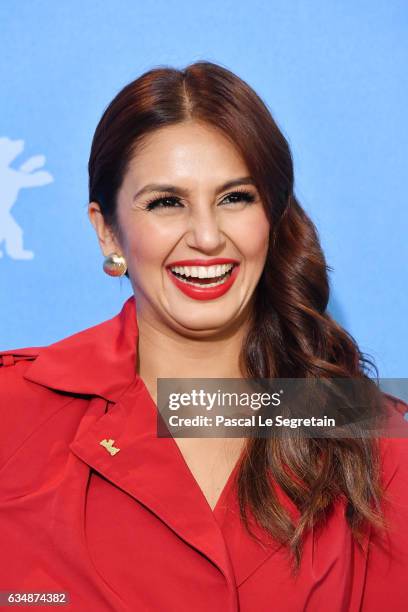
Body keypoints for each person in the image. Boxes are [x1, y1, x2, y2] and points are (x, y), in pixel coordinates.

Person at [0, 60, 407, 612]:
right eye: (166, 203)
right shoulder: (15, 411)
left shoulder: (367, 433)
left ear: (272, 216)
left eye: (235, 197)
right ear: (106, 231)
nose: (208, 237)